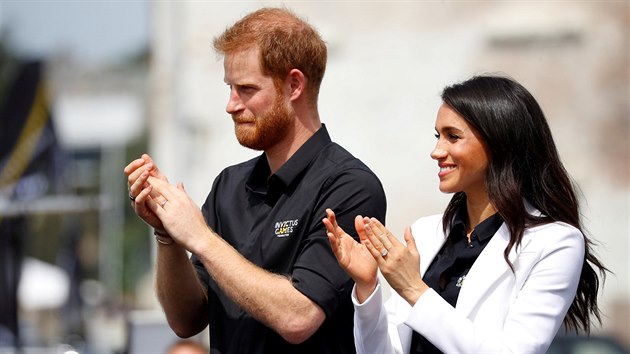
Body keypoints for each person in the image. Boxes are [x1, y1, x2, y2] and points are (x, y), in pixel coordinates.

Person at [124, 7, 386, 354]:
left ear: (294, 85)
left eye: (246, 89)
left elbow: (299, 317)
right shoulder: (228, 186)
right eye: (229, 88)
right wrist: (167, 234)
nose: (231, 105)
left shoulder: (349, 186)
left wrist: (199, 237)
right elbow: (186, 320)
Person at [323, 75, 607, 354]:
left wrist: (413, 288)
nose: (437, 151)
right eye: (438, 136)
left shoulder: (555, 242)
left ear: (499, 143)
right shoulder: (424, 233)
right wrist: (367, 286)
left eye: (453, 137)